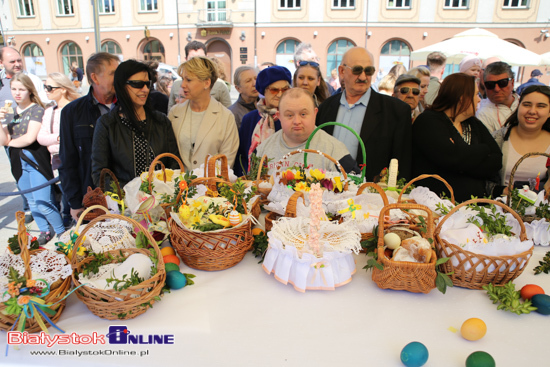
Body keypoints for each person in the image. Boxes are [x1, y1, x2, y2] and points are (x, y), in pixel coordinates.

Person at [316, 47, 412, 182]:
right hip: (327, 191)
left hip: (372, 196)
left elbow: (402, 164)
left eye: (368, 71)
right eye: (357, 70)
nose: (362, 77)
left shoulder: (396, 111)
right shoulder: (326, 108)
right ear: (342, 71)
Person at [412, 73, 502, 202]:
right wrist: (483, 149)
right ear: (462, 98)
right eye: (476, 94)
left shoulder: (474, 124)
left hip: (475, 206)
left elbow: (496, 160)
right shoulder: (429, 121)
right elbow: (451, 158)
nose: (479, 99)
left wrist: (462, 163)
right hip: (436, 205)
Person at [91, 60, 181, 187]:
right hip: (125, 203)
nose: (145, 89)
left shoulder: (161, 121)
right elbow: (100, 175)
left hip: (162, 201)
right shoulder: (107, 124)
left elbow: (174, 164)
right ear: (121, 86)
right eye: (137, 84)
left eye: (147, 84)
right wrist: (132, 193)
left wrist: (163, 190)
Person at [0, 74, 65, 244]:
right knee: (31, 202)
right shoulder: (9, 112)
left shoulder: (36, 109)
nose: (17, 93)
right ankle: (45, 230)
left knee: (43, 201)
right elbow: (3, 141)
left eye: (21, 89)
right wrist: (0, 124)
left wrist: (10, 142)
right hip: (17, 162)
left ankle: (61, 232)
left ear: (29, 90)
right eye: (14, 89)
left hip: (35, 162)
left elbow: (29, 138)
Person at [59, 52, 120, 221]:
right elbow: (68, 161)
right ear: (95, 77)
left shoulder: (128, 107)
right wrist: (75, 203)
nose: (119, 77)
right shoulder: (72, 113)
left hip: (125, 196)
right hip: (92, 199)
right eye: (113, 73)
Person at [256, 88, 358, 174]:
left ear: (315, 113)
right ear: (279, 116)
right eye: (289, 115)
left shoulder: (335, 150)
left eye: (303, 114)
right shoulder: (263, 150)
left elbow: (356, 187)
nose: (297, 121)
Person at [168, 56, 239, 171]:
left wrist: (204, 185)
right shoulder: (175, 113)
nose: (183, 85)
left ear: (206, 83)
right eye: (183, 79)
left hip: (211, 186)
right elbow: (170, 155)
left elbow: (226, 161)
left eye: (189, 80)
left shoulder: (226, 117)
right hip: (179, 186)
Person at [37, 72, 80, 229]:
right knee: (66, 192)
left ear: (62, 89)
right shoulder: (50, 111)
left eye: (49, 87)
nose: (46, 90)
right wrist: (61, 138)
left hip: (76, 159)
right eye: (45, 87)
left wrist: (61, 139)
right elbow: (41, 138)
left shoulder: (75, 107)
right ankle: (69, 218)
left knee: (75, 194)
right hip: (57, 159)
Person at [490, 85, 550, 197]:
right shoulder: (497, 139)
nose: (532, 111)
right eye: (527, 105)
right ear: (518, 106)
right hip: (498, 208)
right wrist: (500, 190)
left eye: (541, 106)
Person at [234, 65, 292, 176]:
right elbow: (241, 156)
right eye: (274, 90)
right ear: (263, 91)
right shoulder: (250, 119)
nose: (280, 94)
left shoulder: (292, 118)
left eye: (284, 89)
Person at [168, 41, 231, 110]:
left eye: (201, 59)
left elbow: (228, 112)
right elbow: (171, 111)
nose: (197, 63)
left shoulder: (219, 85)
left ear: (206, 58)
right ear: (186, 59)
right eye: (192, 59)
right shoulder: (177, 84)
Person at [476, 61, 519, 133]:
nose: (496, 89)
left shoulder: (527, 103)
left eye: (502, 83)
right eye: (490, 84)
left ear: (512, 82)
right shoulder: (481, 113)